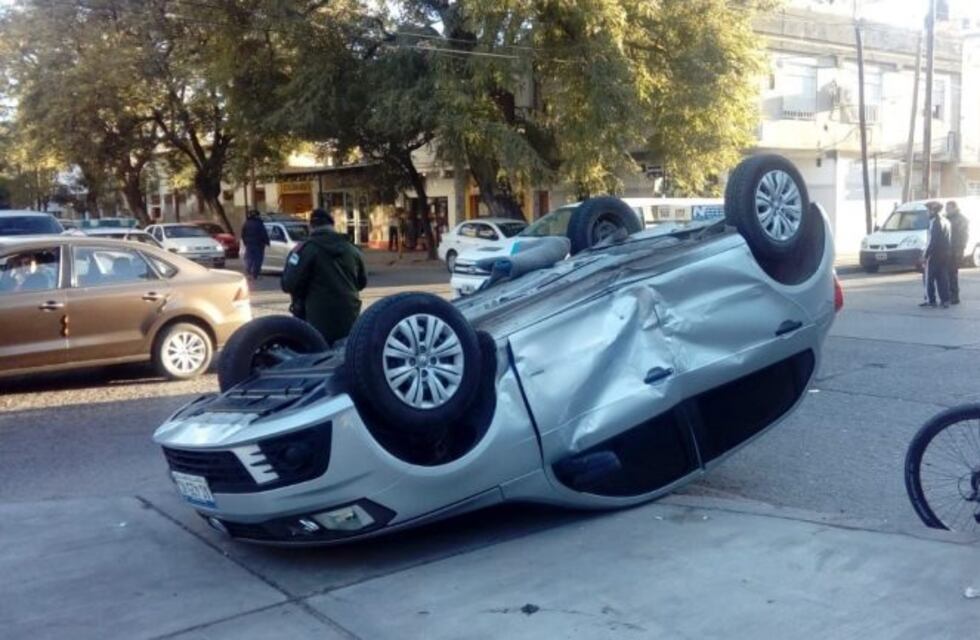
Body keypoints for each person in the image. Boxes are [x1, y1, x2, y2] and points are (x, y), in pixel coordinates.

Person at [281, 208, 367, 344]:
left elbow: (288, 284)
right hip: (349, 314)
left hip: (315, 318)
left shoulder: (304, 250)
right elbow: (362, 283)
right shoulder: (352, 249)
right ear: (332, 226)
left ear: (311, 227)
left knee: (316, 352)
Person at [921, 201, 952, 309]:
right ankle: (945, 300)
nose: (927, 213)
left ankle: (931, 300)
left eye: (928, 210)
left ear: (933, 210)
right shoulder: (946, 221)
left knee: (928, 278)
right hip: (944, 253)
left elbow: (932, 241)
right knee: (942, 278)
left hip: (934, 254)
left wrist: (925, 255)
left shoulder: (935, 222)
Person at [945, 200, 969, 305]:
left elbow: (964, 236)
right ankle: (948, 295)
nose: (947, 210)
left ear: (954, 208)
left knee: (952, 274)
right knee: (946, 274)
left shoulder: (961, 219)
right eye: (946, 208)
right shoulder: (946, 218)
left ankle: (954, 296)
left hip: (955, 251)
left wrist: (960, 250)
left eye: (948, 208)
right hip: (947, 250)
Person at [240, 210, 270, 281]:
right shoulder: (259, 224)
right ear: (257, 216)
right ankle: (255, 275)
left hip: (249, 245)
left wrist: (245, 242)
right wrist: (267, 242)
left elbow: (243, 234)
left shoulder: (246, 223)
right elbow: (263, 233)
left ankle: (248, 273)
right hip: (258, 245)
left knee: (249, 259)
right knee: (258, 260)